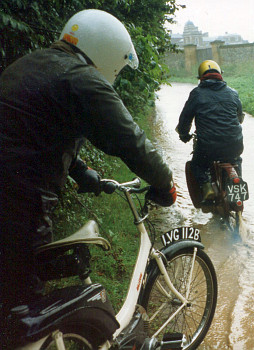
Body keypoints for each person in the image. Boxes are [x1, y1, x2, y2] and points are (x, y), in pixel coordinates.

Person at [0, 9, 176, 323]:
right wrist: (164, 182)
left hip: (11, 188)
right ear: (107, 52)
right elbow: (129, 139)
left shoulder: (31, 64)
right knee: (23, 304)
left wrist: (82, 172)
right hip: (19, 201)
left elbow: (35, 134)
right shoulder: (81, 78)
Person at [176, 60, 244, 201]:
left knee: (197, 165)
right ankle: (238, 186)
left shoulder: (196, 94)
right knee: (236, 160)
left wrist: (183, 134)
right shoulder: (233, 93)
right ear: (220, 75)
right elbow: (239, 117)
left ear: (201, 77)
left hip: (207, 147)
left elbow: (185, 119)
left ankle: (207, 188)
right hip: (234, 144)